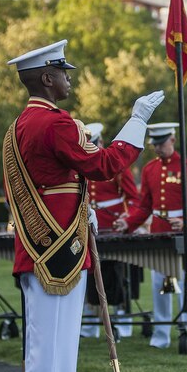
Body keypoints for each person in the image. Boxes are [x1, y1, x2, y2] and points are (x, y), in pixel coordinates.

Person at [3, 39, 164, 372]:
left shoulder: (19, 125)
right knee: (52, 348)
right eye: (63, 72)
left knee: (51, 347)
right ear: (46, 78)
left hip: (43, 243)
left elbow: (47, 184)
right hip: (56, 252)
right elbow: (105, 166)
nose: (69, 78)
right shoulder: (55, 123)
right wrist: (137, 120)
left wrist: (80, 212)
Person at [114, 122, 187, 349]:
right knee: (160, 286)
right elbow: (144, 206)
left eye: (161, 143)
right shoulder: (149, 170)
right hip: (158, 233)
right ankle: (161, 335)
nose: (157, 148)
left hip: (182, 235)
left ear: (173, 140)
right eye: (154, 144)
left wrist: (186, 221)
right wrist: (128, 222)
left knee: (185, 287)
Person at [80, 122, 141, 339]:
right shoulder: (81, 164)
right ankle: (89, 325)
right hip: (89, 227)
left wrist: (127, 217)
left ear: (101, 143)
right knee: (88, 276)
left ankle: (123, 323)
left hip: (113, 226)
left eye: (94, 145)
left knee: (117, 276)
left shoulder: (116, 166)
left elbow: (134, 199)